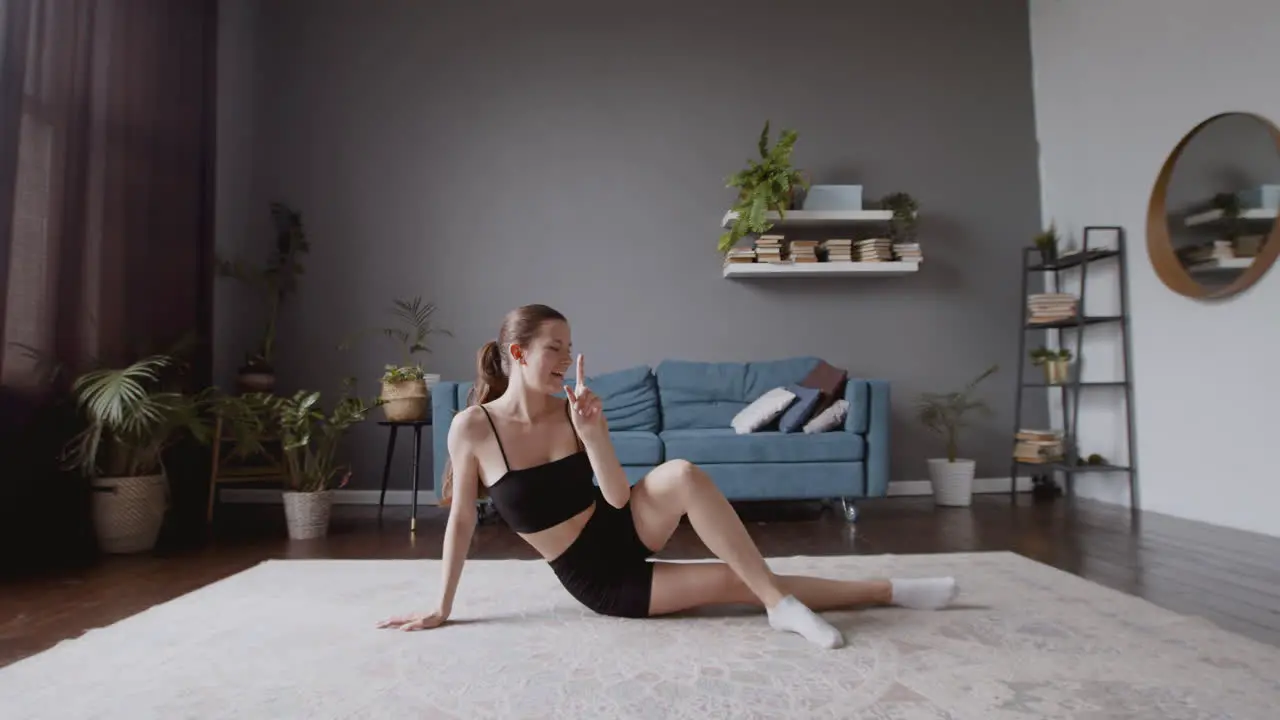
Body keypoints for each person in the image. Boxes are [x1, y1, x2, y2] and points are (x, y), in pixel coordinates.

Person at [377, 304, 958, 649]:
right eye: (554, 348)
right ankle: (879, 593)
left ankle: (819, 600)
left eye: (571, 348)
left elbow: (614, 494)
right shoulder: (473, 427)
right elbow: (459, 522)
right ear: (518, 353)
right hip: (595, 574)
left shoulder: (572, 410)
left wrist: (595, 433)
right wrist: (442, 606)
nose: (565, 359)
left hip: (622, 522)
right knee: (739, 582)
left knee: (680, 473)